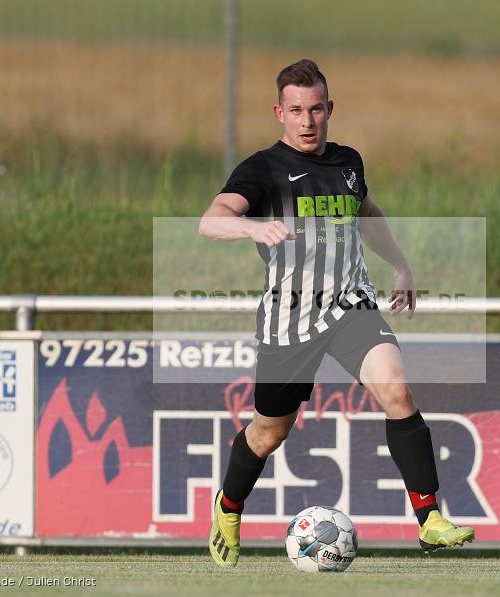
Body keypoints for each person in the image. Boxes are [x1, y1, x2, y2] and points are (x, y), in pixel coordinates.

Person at [198, 59, 474, 567]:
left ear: (330, 110)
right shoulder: (263, 168)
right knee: (269, 432)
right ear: (279, 112)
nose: (308, 121)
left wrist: (402, 265)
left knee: (395, 388)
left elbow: (366, 213)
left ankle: (430, 518)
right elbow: (211, 221)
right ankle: (228, 506)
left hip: (351, 306)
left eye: (317, 109)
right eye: (297, 110)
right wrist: (252, 228)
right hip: (291, 319)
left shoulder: (349, 162)